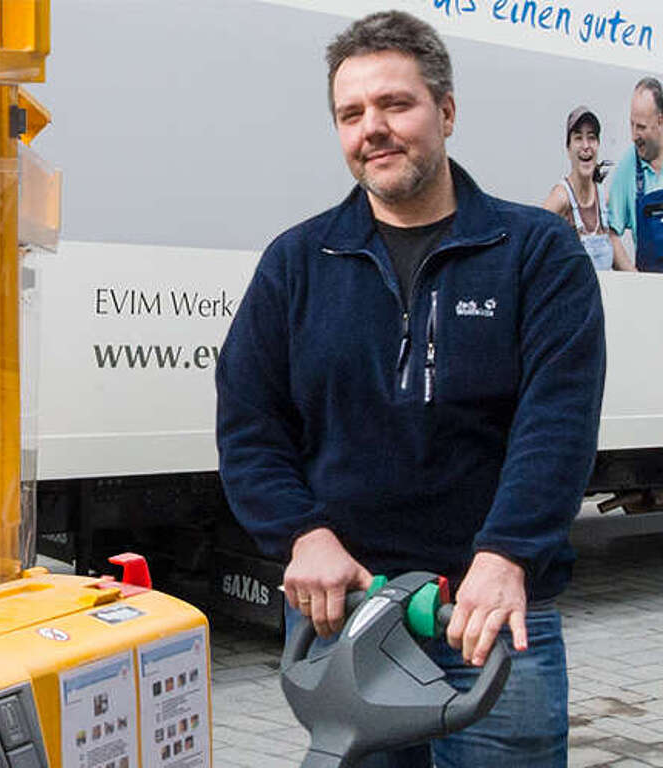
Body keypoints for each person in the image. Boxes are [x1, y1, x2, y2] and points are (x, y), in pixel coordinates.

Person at [216, 10, 605, 767]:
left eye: (396, 104)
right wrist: (301, 534)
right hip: (350, 622)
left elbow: (556, 421)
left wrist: (506, 554)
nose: (374, 129)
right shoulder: (297, 262)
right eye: (352, 113)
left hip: (489, 621)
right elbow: (248, 422)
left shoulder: (536, 253)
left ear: (447, 111)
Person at [544, 106, 634, 271]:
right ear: (568, 148)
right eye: (578, 138)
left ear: (598, 144)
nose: (586, 146)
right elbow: (533, 243)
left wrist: (647, 288)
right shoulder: (561, 198)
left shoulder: (604, 200)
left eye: (591, 138)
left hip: (604, 296)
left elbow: (624, 264)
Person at [608, 77, 663, 272]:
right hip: (649, 295)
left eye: (641, 127)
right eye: (631, 124)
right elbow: (610, 233)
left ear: (660, 121)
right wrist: (634, 279)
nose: (633, 135)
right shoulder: (628, 167)